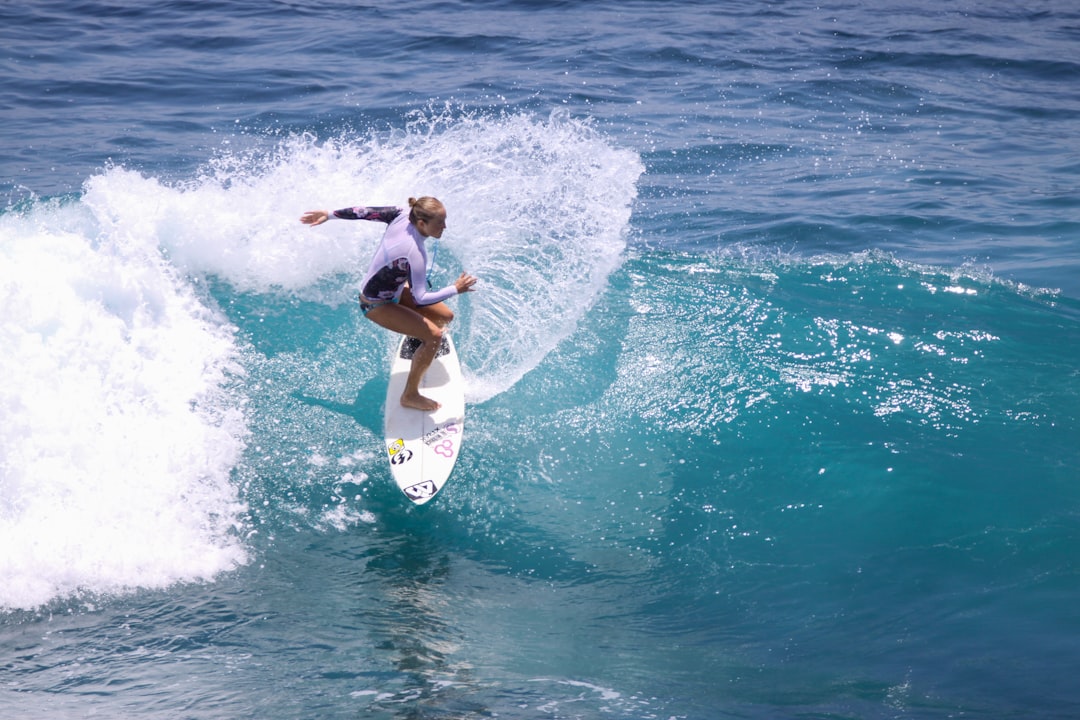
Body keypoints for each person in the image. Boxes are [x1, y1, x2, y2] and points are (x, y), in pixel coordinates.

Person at [300, 197, 477, 412]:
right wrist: (455, 289)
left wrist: (329, 214)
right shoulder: (415, 252)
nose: (445, 227)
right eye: (440, 222)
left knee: (444, 318)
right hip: (375, 304)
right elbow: (420, 298)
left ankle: (416, 340)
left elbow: (362, 211)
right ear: (422, 224)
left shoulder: (403, 212)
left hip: (393, 290)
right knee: (435, 337)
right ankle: (410, 395)